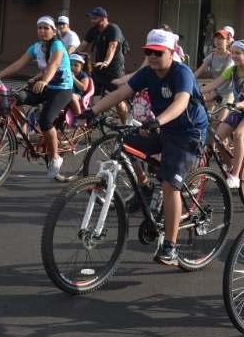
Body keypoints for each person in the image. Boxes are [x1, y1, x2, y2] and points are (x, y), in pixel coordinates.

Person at [78, 29, 207, 266]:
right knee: (122, 144)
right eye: (149, 52)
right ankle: (145, 187)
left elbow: (180, 103)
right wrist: (91, 111)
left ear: (171, 52)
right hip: (164, 128)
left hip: (188, 134)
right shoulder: (148, 72)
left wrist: (157, 121)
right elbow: (121, 93)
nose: (152, 56)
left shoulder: (182, 73)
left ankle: (170, 246)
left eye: (158, 52)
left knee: (169, 184)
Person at [0, 16, 73, 179]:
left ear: (53, 31)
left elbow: (53, 65)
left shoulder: (58, 45)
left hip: (62, 89)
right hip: (44, 86)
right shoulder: (37, 47)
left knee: (45, 121)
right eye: (39, 28)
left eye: (46, 28)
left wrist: (45, 80)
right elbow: (18, 64)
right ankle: (23, 128)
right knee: (14, 98)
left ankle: (55, 158)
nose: (42, 31)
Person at [199, 39, 244, 189]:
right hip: (239, 109)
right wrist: (193, 91)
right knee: (217, 137)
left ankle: (236, 175)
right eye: (233, 53)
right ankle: (230, 166)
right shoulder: (233, 70)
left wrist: (242, 103)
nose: (234, 56)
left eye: (238, 53)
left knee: (238, 134)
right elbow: (214, 84)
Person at [76, 7, 128, 124]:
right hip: (99, 67)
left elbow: (112, 47)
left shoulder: (114, 29)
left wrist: (106, 62)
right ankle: (92, 117)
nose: (92, 21)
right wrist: (69, 58)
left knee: (118, 99)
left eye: (94, 18)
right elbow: (82, 46)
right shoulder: (93, 30)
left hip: (114, 69)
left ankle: (126, 125)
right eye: (91, 18)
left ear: (103, 18)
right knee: (89, 93)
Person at [195, 28, 234, 108]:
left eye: (221, 38)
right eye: (216, 38)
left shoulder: (230, 57)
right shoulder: (212, 56)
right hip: (215, 90)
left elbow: (223, 76)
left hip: (227, 92)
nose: (218, 40)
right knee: (198, 103)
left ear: (227, 41)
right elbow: (197, 72)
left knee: (221, 120)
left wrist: (211, 87)